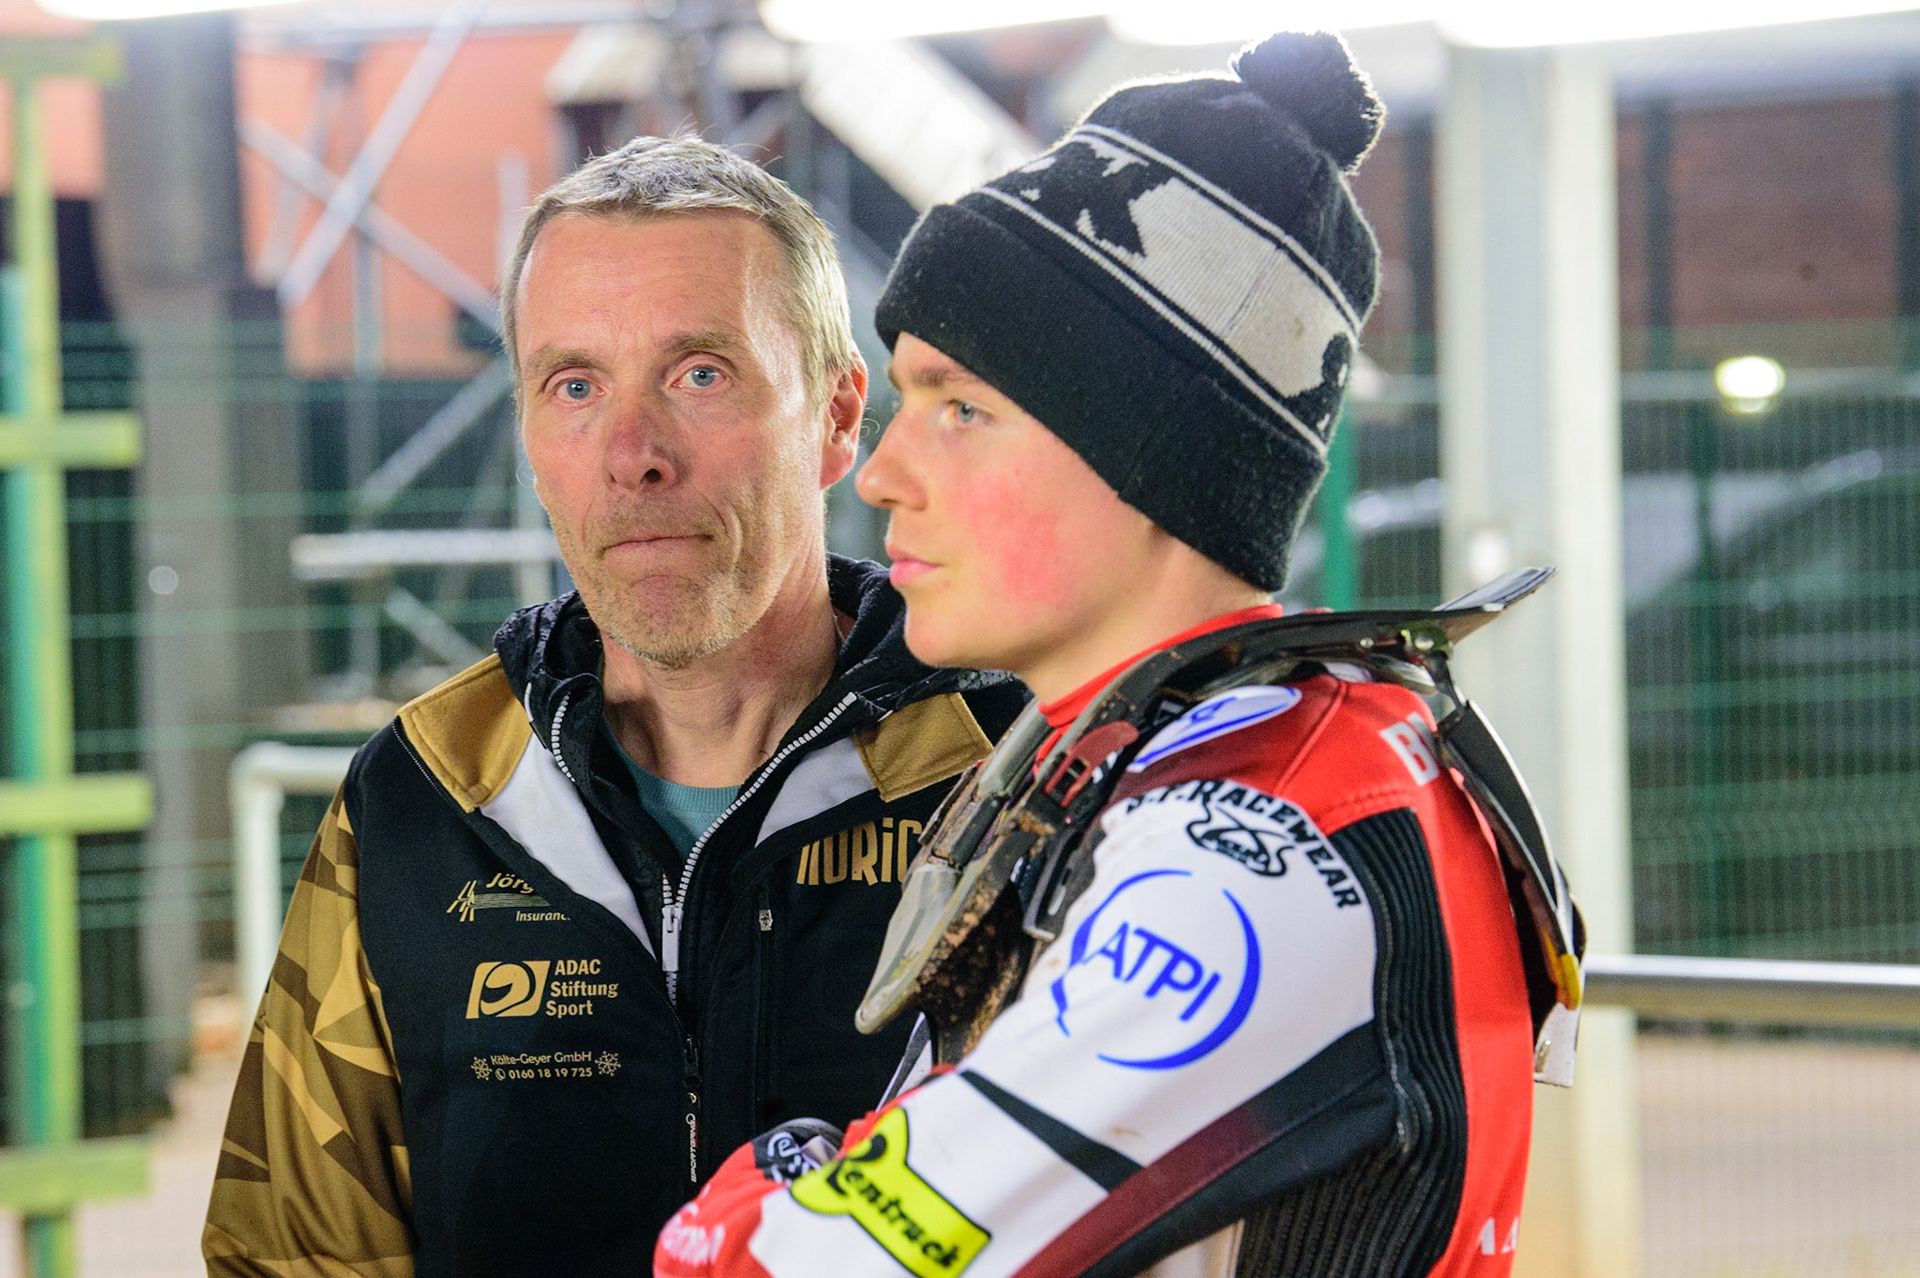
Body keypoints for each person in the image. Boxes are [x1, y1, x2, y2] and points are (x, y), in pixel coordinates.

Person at [654, 32, 1553, 1278]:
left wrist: (780, 1174)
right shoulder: (1206, 754)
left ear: (1151, 463)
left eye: (963, 409)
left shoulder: (1251, 846)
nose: (884, 474)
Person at [204, 136, 1026, 1278]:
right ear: (533, 436)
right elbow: (287, 1258)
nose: (632, 455)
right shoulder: (424, 800)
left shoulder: (1022, 780)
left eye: (701, 374)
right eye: (575, 385)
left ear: (839, 419)